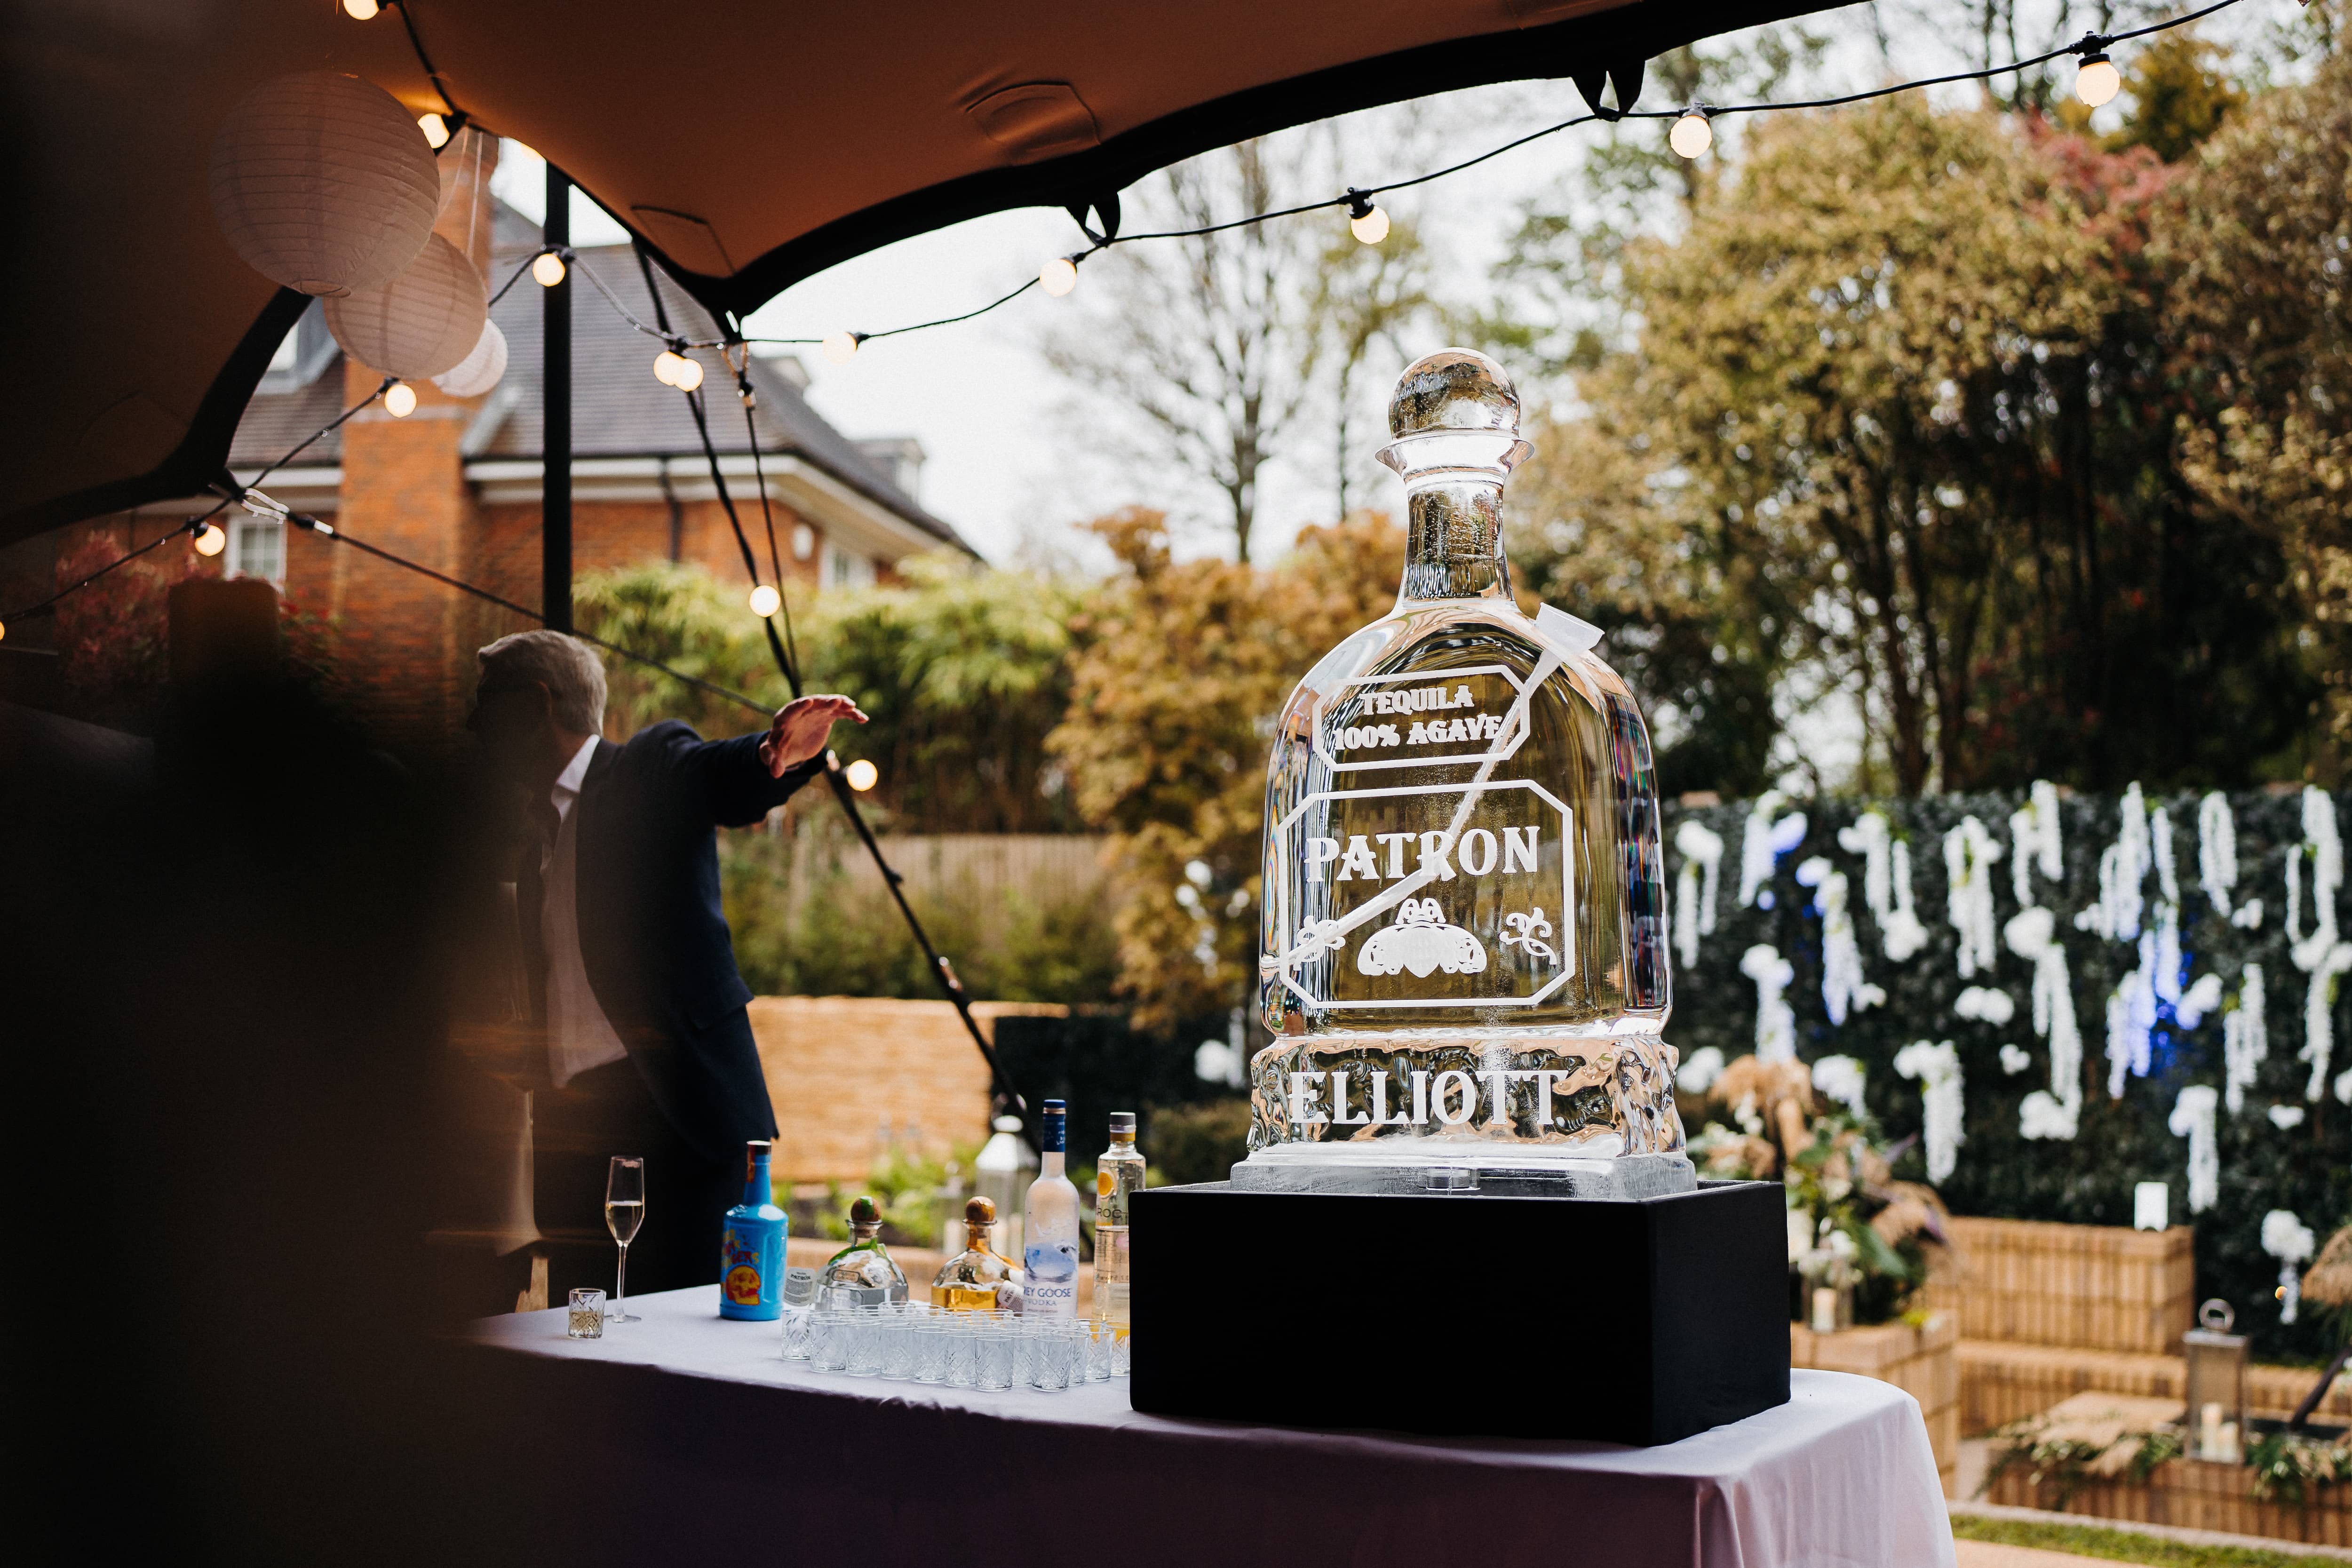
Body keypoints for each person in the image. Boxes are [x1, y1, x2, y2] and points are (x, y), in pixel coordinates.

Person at [468, 629, 864, 1300]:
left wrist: (772, 754)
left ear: (536, 703)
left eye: (484, 701)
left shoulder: (642, 770)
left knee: (694, 1342)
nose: (471, 720)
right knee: (582, 1332)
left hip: (677, 1120)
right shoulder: (537, 838)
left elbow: (715, 777)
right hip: (580, 1138)